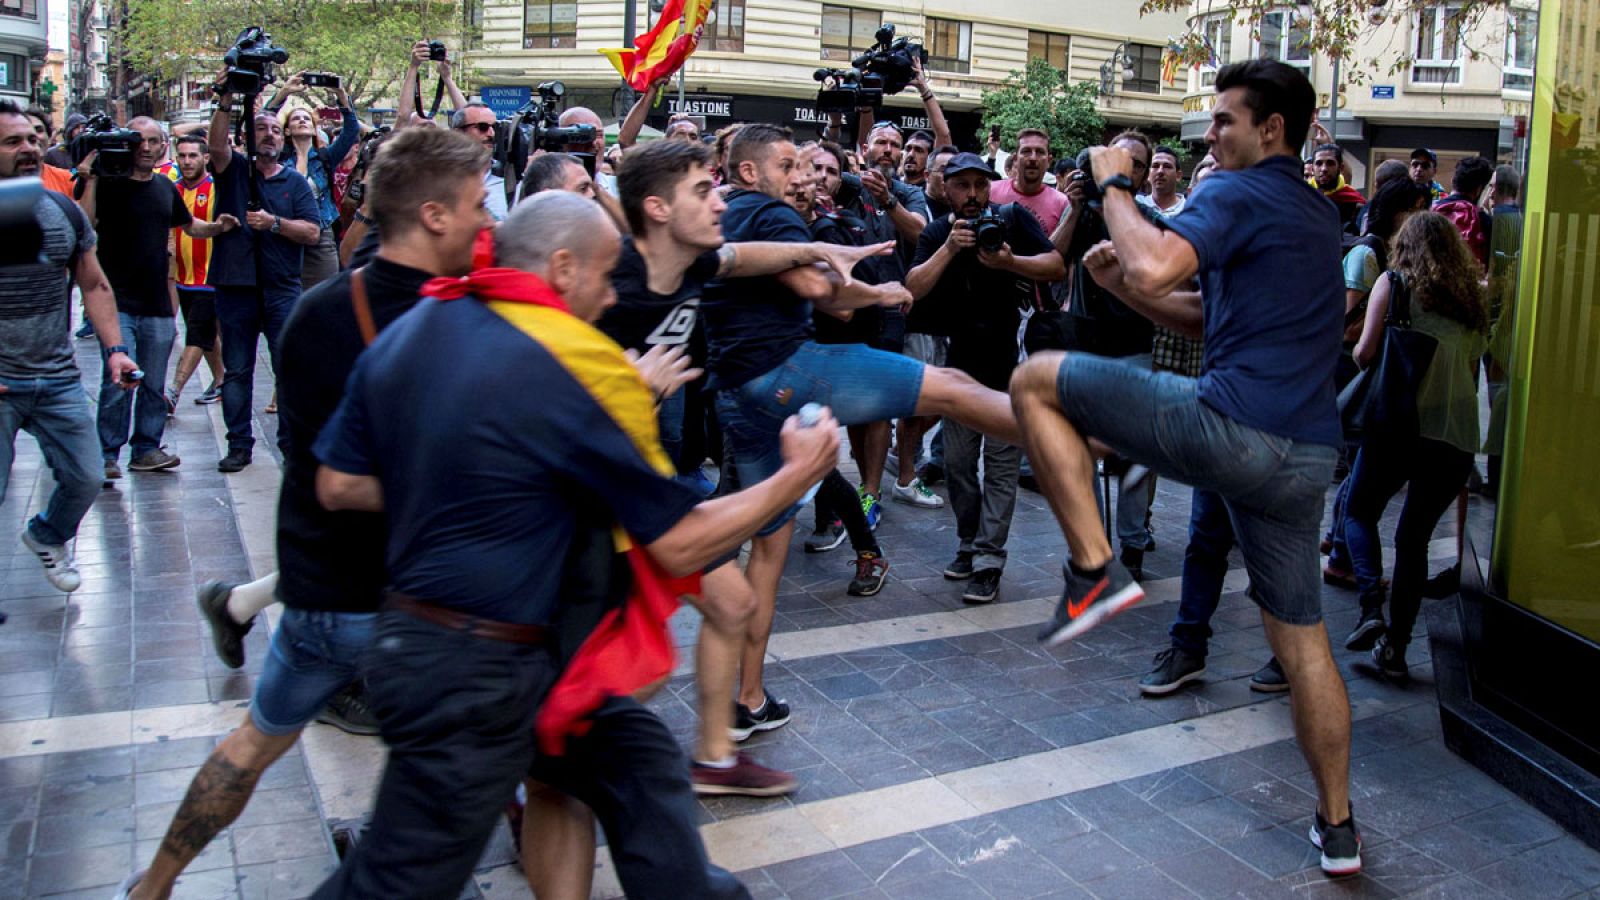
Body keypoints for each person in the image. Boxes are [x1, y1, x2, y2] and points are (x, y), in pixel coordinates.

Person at [306, 190, 840, 899]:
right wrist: (797, 474)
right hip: (474, 675)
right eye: (604, 276)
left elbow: (339, 483)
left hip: (461, 651)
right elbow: (680, 546)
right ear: (562, 268)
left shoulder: (424, 321)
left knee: (638, 758)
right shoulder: (570, 364)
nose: (611, 295)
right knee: (396, 881)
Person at [113, 125, 493, 900]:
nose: (489, 221)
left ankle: (152, 887)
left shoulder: (325, 308)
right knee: (464, 754)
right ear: (433, 214)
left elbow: (306, 457)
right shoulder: (454, 320)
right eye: (477, 205)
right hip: (396, 601)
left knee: (255, 743)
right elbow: (348, 479)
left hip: (320, 588)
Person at [1009, 59, 1362, 876]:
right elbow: (1204, 315)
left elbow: (1155, 266)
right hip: (1305, 458)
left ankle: (1095, 568)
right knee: (1304, 644)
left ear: (1272, 129)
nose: (1211, 135)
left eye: (1224, 120)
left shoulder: (1237, 191)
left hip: (1233, 427)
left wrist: (1115, 184)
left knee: (1034, 380)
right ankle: (1339, 827)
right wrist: (1123, 288)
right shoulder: (1316, 213)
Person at [705, 124, 1025, 736]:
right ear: (749, 171)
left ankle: (746, 700)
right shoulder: (771, 214)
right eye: (788, 165)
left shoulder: (722, 213)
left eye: (805, 165)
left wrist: (860, 285)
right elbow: (823, 294)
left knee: (767, 552)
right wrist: (874, 290)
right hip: (789, 373)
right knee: (951, 387)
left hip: (737, 397)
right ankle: (1073, 434)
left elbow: (814, 290)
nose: (802, 176)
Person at [599, 138, 889, 791]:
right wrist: (625, 392)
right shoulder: (607, 282)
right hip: (587, 497)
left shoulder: (698, 261)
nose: (721, 200)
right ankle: (539, 765)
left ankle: (714, 757)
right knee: (616, 675)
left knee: (730, 603)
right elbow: (541, 387)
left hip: (643, 480)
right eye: (703, 191)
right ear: (657, 209)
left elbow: (750, 256)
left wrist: (820, 251)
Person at [906, 153, 1064, 603]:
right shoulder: (938, 233)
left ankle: (989, 558)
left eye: (980, 184)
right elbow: (911, 289)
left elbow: (1057, 266)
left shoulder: (1012, 219)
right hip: (959, 373)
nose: (973, 194)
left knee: (1000, 469)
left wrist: (1010, 262)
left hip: (1010, 370)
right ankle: (968, 542)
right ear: (946, 188)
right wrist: (949, 249)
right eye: (963, 185)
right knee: (956, 466)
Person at [0, 99, 139, 601]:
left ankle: (47, 534)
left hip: (56, 378)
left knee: (86, 476)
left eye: (32, 139)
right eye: (12, 142)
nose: (28, 148)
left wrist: (116, 349)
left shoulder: (61, 210)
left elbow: (94, 285)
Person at [1340, 212, 1488, 681]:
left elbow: (1364, 352)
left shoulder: (1395, 284)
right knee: (1414, 540)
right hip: (1454, 435)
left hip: (1397, 426)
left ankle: (1371, 606)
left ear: (1404, 245)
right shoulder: (1471, 303)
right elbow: (1474, 369)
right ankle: (1396, 648)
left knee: (1358, 511)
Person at [78, 117, 239, 476]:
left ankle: (146, 449)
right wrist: (90, 179)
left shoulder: (165, 187)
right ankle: (107, 454)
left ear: (163, 145)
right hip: (116, 302)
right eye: (140, 140)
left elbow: (189, 225)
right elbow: (86, 224)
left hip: (157, 303)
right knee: (119, 380)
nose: (147, 148)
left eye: (154, 141)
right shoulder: (108, 184)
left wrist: (218, 227)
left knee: (153, 381)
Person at [1044, 129, 1164, 580]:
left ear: (1143, 173)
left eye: (1134, 163)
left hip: (1136, 345)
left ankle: (1132, 541)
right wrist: (1075, 208)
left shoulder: (1150, 219)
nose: (1121, 168)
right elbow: (1052, 260)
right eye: (1114, 159)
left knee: (1135, 449)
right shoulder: (1081, 211)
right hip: (1085, 342)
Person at [794, 141, 895, 596]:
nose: (818, 178)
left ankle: (856, 540)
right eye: (809, 168)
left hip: (827, 356)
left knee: (816, 458)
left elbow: (846, 307)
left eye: (829, 170)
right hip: (783, 362)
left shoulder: (838, 228)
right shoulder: (773, 224)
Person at [205, 85, 322, 473]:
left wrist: (274, 224)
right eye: (261, 128)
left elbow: (312, 232)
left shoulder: (295, 183)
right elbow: (216, 146)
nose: (269, 135)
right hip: (236, 286)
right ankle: (238, 444)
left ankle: (290, 445)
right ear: (246, 137)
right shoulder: (234, 171)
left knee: (287, 367)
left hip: (281, 287)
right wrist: (227, 98)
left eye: (275, 129)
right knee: (237, 370)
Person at [270, 74, 361, 286]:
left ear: (314, 128)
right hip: (285, 235)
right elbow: (262, 124)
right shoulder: (278, 160)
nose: (302, 121)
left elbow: (351, 130)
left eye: (306, 119)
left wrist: (341, 95)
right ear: (286, 130)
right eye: (296, 119)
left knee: (323, 294)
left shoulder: (325, 158)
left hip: (321, 237)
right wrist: (284, 92)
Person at [163, 135, 226, 410]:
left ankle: (173, 392)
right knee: (204, 334)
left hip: (209, 278)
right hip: (183, 276)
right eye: (182, 155)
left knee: (197, 334)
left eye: (193, 155)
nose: (187, 161)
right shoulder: (172, 189)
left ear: (206, 158)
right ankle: (222, 380)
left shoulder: (217, 188)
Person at [990, 128, 1069, 234]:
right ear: (1015, 159)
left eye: (1040, 152)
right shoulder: (990, 191)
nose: (1033, 158)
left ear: (1049, 161)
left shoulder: (1062, 203)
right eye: (1026, 151)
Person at [451, 101, 510, 220]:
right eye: (483, 127)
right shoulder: (443, 178)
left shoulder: (511, 177)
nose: (491, 133)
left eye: (495, 127)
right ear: (458, 133)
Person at [1432, 155, 1493, 270]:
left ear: (1453, 181)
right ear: (1479, 189)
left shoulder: (1430, 212)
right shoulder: (1484, 221)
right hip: (1468, 279)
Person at [396, 40, 468, 128]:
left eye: (431, 127)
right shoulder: (405, 136)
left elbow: (467, 118)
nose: (427, 130)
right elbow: (403, 118)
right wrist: (413, 66)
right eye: (421, 126)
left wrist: (446, 77)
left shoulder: (443, 138)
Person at [1309, 143, 1365, 234]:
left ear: (1341, 168)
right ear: (1312, 169)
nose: (1324, 169)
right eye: (1319, 163)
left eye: (1330, 163)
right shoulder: (1302, 197)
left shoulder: (1354, 203)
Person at [1139, 145, 1187, 217]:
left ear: (1178, 176)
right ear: (1148, 174)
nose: (1160, 171)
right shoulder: (1136, 205)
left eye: (1167, 166)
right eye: (1155, 166)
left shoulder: (1189, 210)